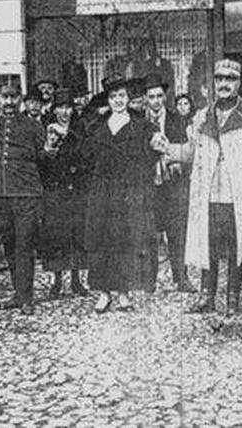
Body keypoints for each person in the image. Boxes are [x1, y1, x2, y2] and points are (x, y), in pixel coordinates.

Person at [161, 60, 242, 316]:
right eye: (219, 79)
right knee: (208, 243)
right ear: (214, 83)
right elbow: (191, 152)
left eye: (230, 79)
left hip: (237, 194)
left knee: (235, 245)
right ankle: (206, 297)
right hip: (209, 193)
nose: (224, 84)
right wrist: (167, 149)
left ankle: (233, 298)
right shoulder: (201, 116)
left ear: (238, 83)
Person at [83, 74, 162, 313]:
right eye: (113, 96)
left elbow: (151, 154)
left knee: (125, 240)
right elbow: (85, 157)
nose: (118, 100)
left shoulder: (141, 125)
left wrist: (156, 144)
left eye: (122, 95)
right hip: (102, 191)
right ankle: (104, 293)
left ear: (128, 98)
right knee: (102, 239)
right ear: (107, 100)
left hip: (128, 191)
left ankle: (124, 292)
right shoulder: (96, 126)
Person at [0, 82, 49, 314]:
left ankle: (26, 297)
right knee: (9, 244)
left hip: (26, 193)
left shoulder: (33, 125)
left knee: (24, 244)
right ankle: (18, 293)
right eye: (5, 97)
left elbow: (43, 159)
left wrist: (49, 149)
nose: (9, 102)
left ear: (20, 99)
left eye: (13, 97)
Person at [143, 73, 196, 293]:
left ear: (165, 97)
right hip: (149, 185)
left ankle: (181, 278)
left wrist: (176, 161)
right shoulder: (140, 123)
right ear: (146, 99)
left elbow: (189, 151)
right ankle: (149, 280)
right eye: (151, 97)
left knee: (177, 231)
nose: (156, 101)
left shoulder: (178, 120)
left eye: (159, 96)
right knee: (149, 232)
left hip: (173, 185)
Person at [38, 89, 91, 298]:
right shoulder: (47, 129)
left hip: (75, 187)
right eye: (60, 107)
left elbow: (85, 155)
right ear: (54, 109)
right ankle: (57, 279)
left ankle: (77, 279)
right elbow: (42, 159)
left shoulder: (80, 128)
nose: (64, 112)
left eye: (68, 108)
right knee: (56, 234)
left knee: (77, 233)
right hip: (55, 188)